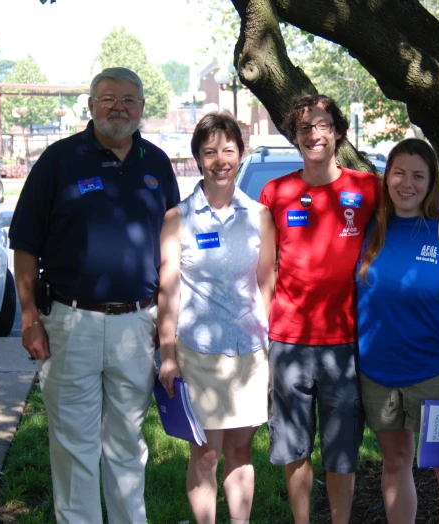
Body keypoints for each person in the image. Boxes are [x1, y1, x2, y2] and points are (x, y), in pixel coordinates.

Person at [9, 67, 180, 523]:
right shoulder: (59, 161)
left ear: (143, 109)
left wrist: (167, 335)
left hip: (137, 325)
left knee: (128, 447)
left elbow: (171, 254)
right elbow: (24, 244)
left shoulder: (157, 164)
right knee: (74, 448)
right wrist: (29, 319)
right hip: (70, 324)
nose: (118, 107)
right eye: (107, 99)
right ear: (90, 104)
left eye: (128, 99)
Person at [258, 94, 380, 524]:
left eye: (324, 125)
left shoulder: (367, 187)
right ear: (294, 136)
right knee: (294, 446)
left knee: (342, 449)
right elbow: (265, 268)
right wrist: (267, 330)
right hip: (288, 339)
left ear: (339, 132)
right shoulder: (276, 192)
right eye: (306, 127)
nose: (315, 134)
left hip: (345, 342)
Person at [357, 138, 439, 523]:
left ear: (431, 183)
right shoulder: (374, 227)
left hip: (437, 376)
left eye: (418, 175)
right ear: (387, 177)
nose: (407, 183)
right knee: (395, 464)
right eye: (399, 173)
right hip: (378, 375)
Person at [157, 111, 275, 524]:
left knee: (241, 452)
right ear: (198, 159)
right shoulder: (178, 219)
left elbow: (266, 285)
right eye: (210, 152)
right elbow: (168, 289)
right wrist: (167, 354)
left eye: (228, 149)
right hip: (198, 351)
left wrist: (272, 345)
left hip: (250, 351)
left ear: (241, 154)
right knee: (205, 454)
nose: (220, 159)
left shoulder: (260, 216)